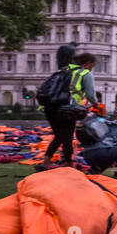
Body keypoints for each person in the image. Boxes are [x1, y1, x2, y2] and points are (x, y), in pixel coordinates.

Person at [37, 43, 89, 171]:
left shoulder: (57, 74)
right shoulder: (74, 73)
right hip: (64, 108)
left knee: (59, 136)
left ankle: (46, 163)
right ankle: (68, 163)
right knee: (67, 136)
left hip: (50, 108)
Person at [80, 111, 117, 177]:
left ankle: (96, 169)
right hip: (101, 154)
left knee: (114, 148)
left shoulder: (107, 124)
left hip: (87, 155)